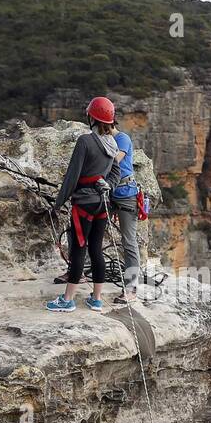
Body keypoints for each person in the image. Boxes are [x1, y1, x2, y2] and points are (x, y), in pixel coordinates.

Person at [47, 97, 121, 314]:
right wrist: (108, 184)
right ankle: (96, 299)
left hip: (84, 204)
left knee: (78, 249)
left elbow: (72, 175)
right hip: (102, 203)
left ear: (92, 117)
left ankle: (68, 299)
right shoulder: (113, 143)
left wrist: (58, 203)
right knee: (96, 249)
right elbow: (116, 171)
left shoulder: (85, 141)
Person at [110, 128, 142, 304]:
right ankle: (80, 271)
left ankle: (131, 288)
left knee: (128, 241)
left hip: (125, 194)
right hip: (108, 192)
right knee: (88, 230)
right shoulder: (102, 139)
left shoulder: (123, 138)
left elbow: (115, 161)